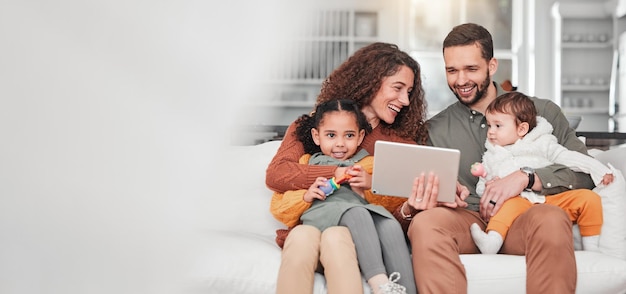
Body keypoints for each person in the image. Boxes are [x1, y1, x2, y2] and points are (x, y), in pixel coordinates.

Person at [392, 23, 597, 293]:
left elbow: (587, 174)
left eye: (471, 69)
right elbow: (417, 194)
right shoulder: (434, 129)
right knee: (426, 223)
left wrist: (527, 177)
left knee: (551, 217)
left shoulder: (541, 112)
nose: (461, 80)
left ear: (492, 66)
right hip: (467, 219)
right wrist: (436, 195)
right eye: (452, 70)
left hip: (526, 215)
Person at [266, 42, 429, 294]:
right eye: (398, 88)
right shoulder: (314, 124)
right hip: (312, 226)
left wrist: (407, 208)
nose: (405, 100)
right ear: (371, 81)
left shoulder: (399, 144)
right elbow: (277, 174)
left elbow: (390, 215)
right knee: (316, 238)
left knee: (356, 230)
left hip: (364, 234)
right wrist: (338, 173)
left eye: (409, 92)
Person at [270, 99, 415, 294]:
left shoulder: (368, 164)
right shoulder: (306, 164)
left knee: (386, 224)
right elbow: (279, 207)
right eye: (331, 135)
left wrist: (370, 186)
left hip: (356, 233)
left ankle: (404, 289)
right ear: (317, 136)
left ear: (360, 136)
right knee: (351, 214)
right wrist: (305, 196)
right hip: (319, 223)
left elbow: (395, 197)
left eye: (349, 135)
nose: (340, 144)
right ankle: (379, 281)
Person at [469, 91, 614, 254]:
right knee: (505, 207)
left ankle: (592, 248)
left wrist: (599, 170)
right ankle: (492, 241)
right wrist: (489, 188)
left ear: (522, 128)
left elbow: (570, 157)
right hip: (518, 203)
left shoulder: (542, 143)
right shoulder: (491, 155)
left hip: (549, 198)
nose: (491, 132)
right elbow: (482, 188)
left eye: (497, 126)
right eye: (489, 125)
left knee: (589, 198)